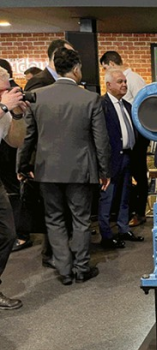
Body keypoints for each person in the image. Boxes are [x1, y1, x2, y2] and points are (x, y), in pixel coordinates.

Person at [19, 48, 111, 286]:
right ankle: (81, 268)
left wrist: (22, 166)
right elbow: (101, 140)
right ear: (76, 69)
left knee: (54, 218)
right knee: (81, 219)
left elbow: (28, 137)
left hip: (46, 170)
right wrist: (105, 171)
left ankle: (64, 269)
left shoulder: (38, 97)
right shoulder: (90, 98)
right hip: (81, 169)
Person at [99, 51, 148, 228]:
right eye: (120, 82)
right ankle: (107, 233)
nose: (124, 85)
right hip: (112, 158)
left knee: (125, 196)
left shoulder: (127, 106)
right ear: (108, 85)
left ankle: (123, 228)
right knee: (109, 196)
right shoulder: (101, 106)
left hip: (129, 155)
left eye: (125, 82)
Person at [0, 66, 28, 309]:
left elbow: (15, 140)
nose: (7, 92)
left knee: (7, 233)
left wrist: (17, 115)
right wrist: (3, 107)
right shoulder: (2, 106)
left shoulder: (5, 107)